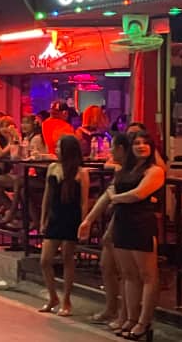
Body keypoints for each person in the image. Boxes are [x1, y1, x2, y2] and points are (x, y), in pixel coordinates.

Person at [109, 131, 165, 340]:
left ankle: (144, 321)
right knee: (128, 274)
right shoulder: (125, 170)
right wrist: (115, 198)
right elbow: (112, 189)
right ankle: (131, 318)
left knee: (148, 275)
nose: (141, 146)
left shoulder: (155, 170)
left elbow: (139, 194)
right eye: (137, 143)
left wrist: (115, 198)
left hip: (142, 223)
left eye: (145, 143)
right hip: (123, 222)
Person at [79, 132, 132, 327]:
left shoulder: (140, 171)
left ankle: (127, 316)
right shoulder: (122, 171)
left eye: (113, 147)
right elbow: (107, 196)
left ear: (121, 149)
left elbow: (116, 197)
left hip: (130, 223)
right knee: (106, 265)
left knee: (128, 273)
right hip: (116, 221)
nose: (109, 151)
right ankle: (112, 308)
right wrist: (89, 219)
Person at [38, 135, 90, 316]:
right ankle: (53, 296)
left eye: (60, 147)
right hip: (55, 215)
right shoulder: (52, 168)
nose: (56, 150)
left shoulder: (81, 172)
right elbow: (47, 196)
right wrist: (43, 218)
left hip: (71, 216)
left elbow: (84, 201)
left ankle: (66, 299)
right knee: (45, 260)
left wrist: (84, 223)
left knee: (68, 258)